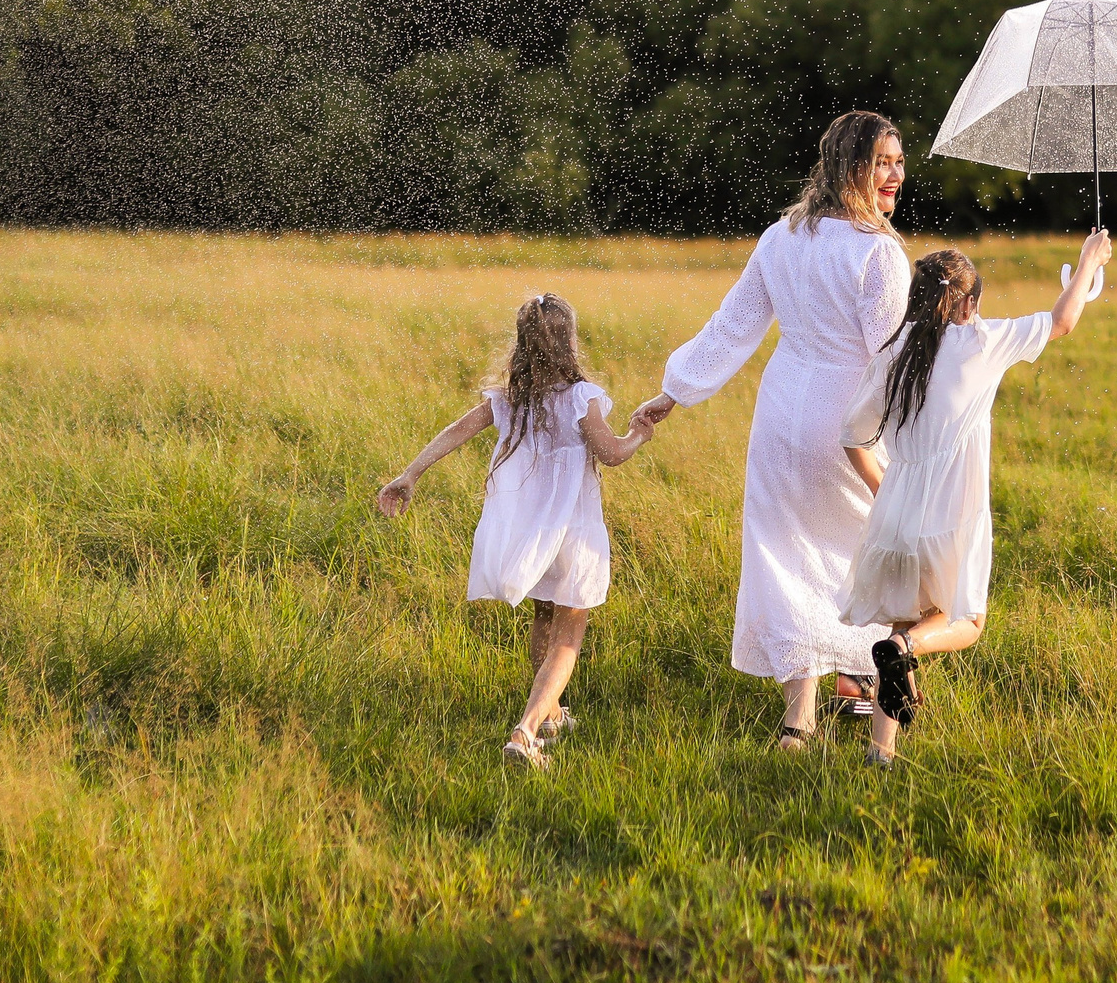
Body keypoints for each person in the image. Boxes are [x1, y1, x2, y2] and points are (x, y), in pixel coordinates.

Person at [620, 111, 911, 750]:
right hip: (847, 423)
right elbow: (890, 359)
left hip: (781, 416)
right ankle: (867, 691)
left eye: (898, 161)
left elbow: (733, 326)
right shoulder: (878, 252)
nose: (894, 175)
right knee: (866, 553)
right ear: (850, 168)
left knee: (787, 557)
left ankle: (800, 722)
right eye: (881, 162)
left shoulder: (782, 236)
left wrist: (676, 390)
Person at [839, 226, 1113, 767]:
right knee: (964, 620)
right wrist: (1088, 260)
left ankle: (881, 752)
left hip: (894, 512)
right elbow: (1062, 321)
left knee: (906, 616)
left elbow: (851, 435)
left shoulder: (894, 351)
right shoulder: (979, 342)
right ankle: (902, 654)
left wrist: (884, 492)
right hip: (952, 513)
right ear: (966, 303)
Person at [374, 292, 657, 769]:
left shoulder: (509, 400)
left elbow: (455, 431)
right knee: (570, 632)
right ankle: (526, 733)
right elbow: (611, 453)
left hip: (529, 532)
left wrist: (410, 474)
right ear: (569, 340)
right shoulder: (580, 398)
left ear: (522, 345)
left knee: (544, 616)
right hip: (573, 531)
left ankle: (552, 714)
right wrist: (639, 435)